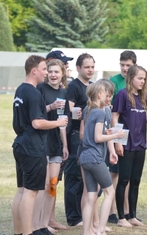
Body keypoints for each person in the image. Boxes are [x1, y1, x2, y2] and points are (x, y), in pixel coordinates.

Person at [12, 55, 68, 235]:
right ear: (34, 70)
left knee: (22, 191)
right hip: (32, 147)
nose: (46, 73)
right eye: (44, 69)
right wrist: (58, 123)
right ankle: (29, 232)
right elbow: (37, 123)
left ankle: (19, 231)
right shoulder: (34, 92)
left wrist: (49, 109)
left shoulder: (21, 90)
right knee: (31, 191)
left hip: (20, 143)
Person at [79, 82, 124, 235]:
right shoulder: (100, 112)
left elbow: (93, 133)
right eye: (106, 94)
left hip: (84, 157)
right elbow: (98, 138)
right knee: (109, 193)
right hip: (94, 157)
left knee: (91, 196)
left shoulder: (89, 110)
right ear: (99, 95)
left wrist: (108, 134)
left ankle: (87, 232)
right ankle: (100, 231)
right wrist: (116, 135)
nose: (108, 97)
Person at [112, 65, 147, 227]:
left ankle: (132, 216)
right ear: (131, 78)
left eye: (144, 78)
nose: (142, 81)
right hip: (126, 144)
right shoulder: (122, 95)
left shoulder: (143, 97)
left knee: (136, 180)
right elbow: (115, 117)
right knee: (123, 180)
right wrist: (117, 142)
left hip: (140, 145)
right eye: (139, 78)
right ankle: (121, 217)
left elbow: (140, 119)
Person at [36, 59, 70, 232]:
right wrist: (50, 106)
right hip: (42, 142)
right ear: (47, 73)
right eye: (51, 71)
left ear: (63, 74)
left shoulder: (64, 93)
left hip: (56, 143)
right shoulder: (40, 89)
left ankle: (47, 222)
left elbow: (62, 121)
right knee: (42, 185)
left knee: (53, 184)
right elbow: (35, 115)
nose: (54, 75)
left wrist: (65, 145)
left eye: (57, 72)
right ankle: (39, 224)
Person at [65, 53, 95, 226]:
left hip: (90, 137)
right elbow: (69, 112)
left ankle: (84, 213)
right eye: (87, 67)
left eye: (92, 67)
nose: (90, 70)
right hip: (76, 135)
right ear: (78, 68)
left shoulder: (92, 86)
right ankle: (74, 217)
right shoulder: (74, 87)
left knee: (87, 178)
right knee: (74, 176)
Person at [108, 50, 137, 224]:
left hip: (133, 137)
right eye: (122, 65)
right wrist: (117, 138)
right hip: (118, 134)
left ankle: (126, 211)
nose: (125, 68)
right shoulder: (114, 82)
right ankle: (112, 211)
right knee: (115, 174)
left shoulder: (137, 82)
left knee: (127, 176)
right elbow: (113, 114)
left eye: (128, 65)